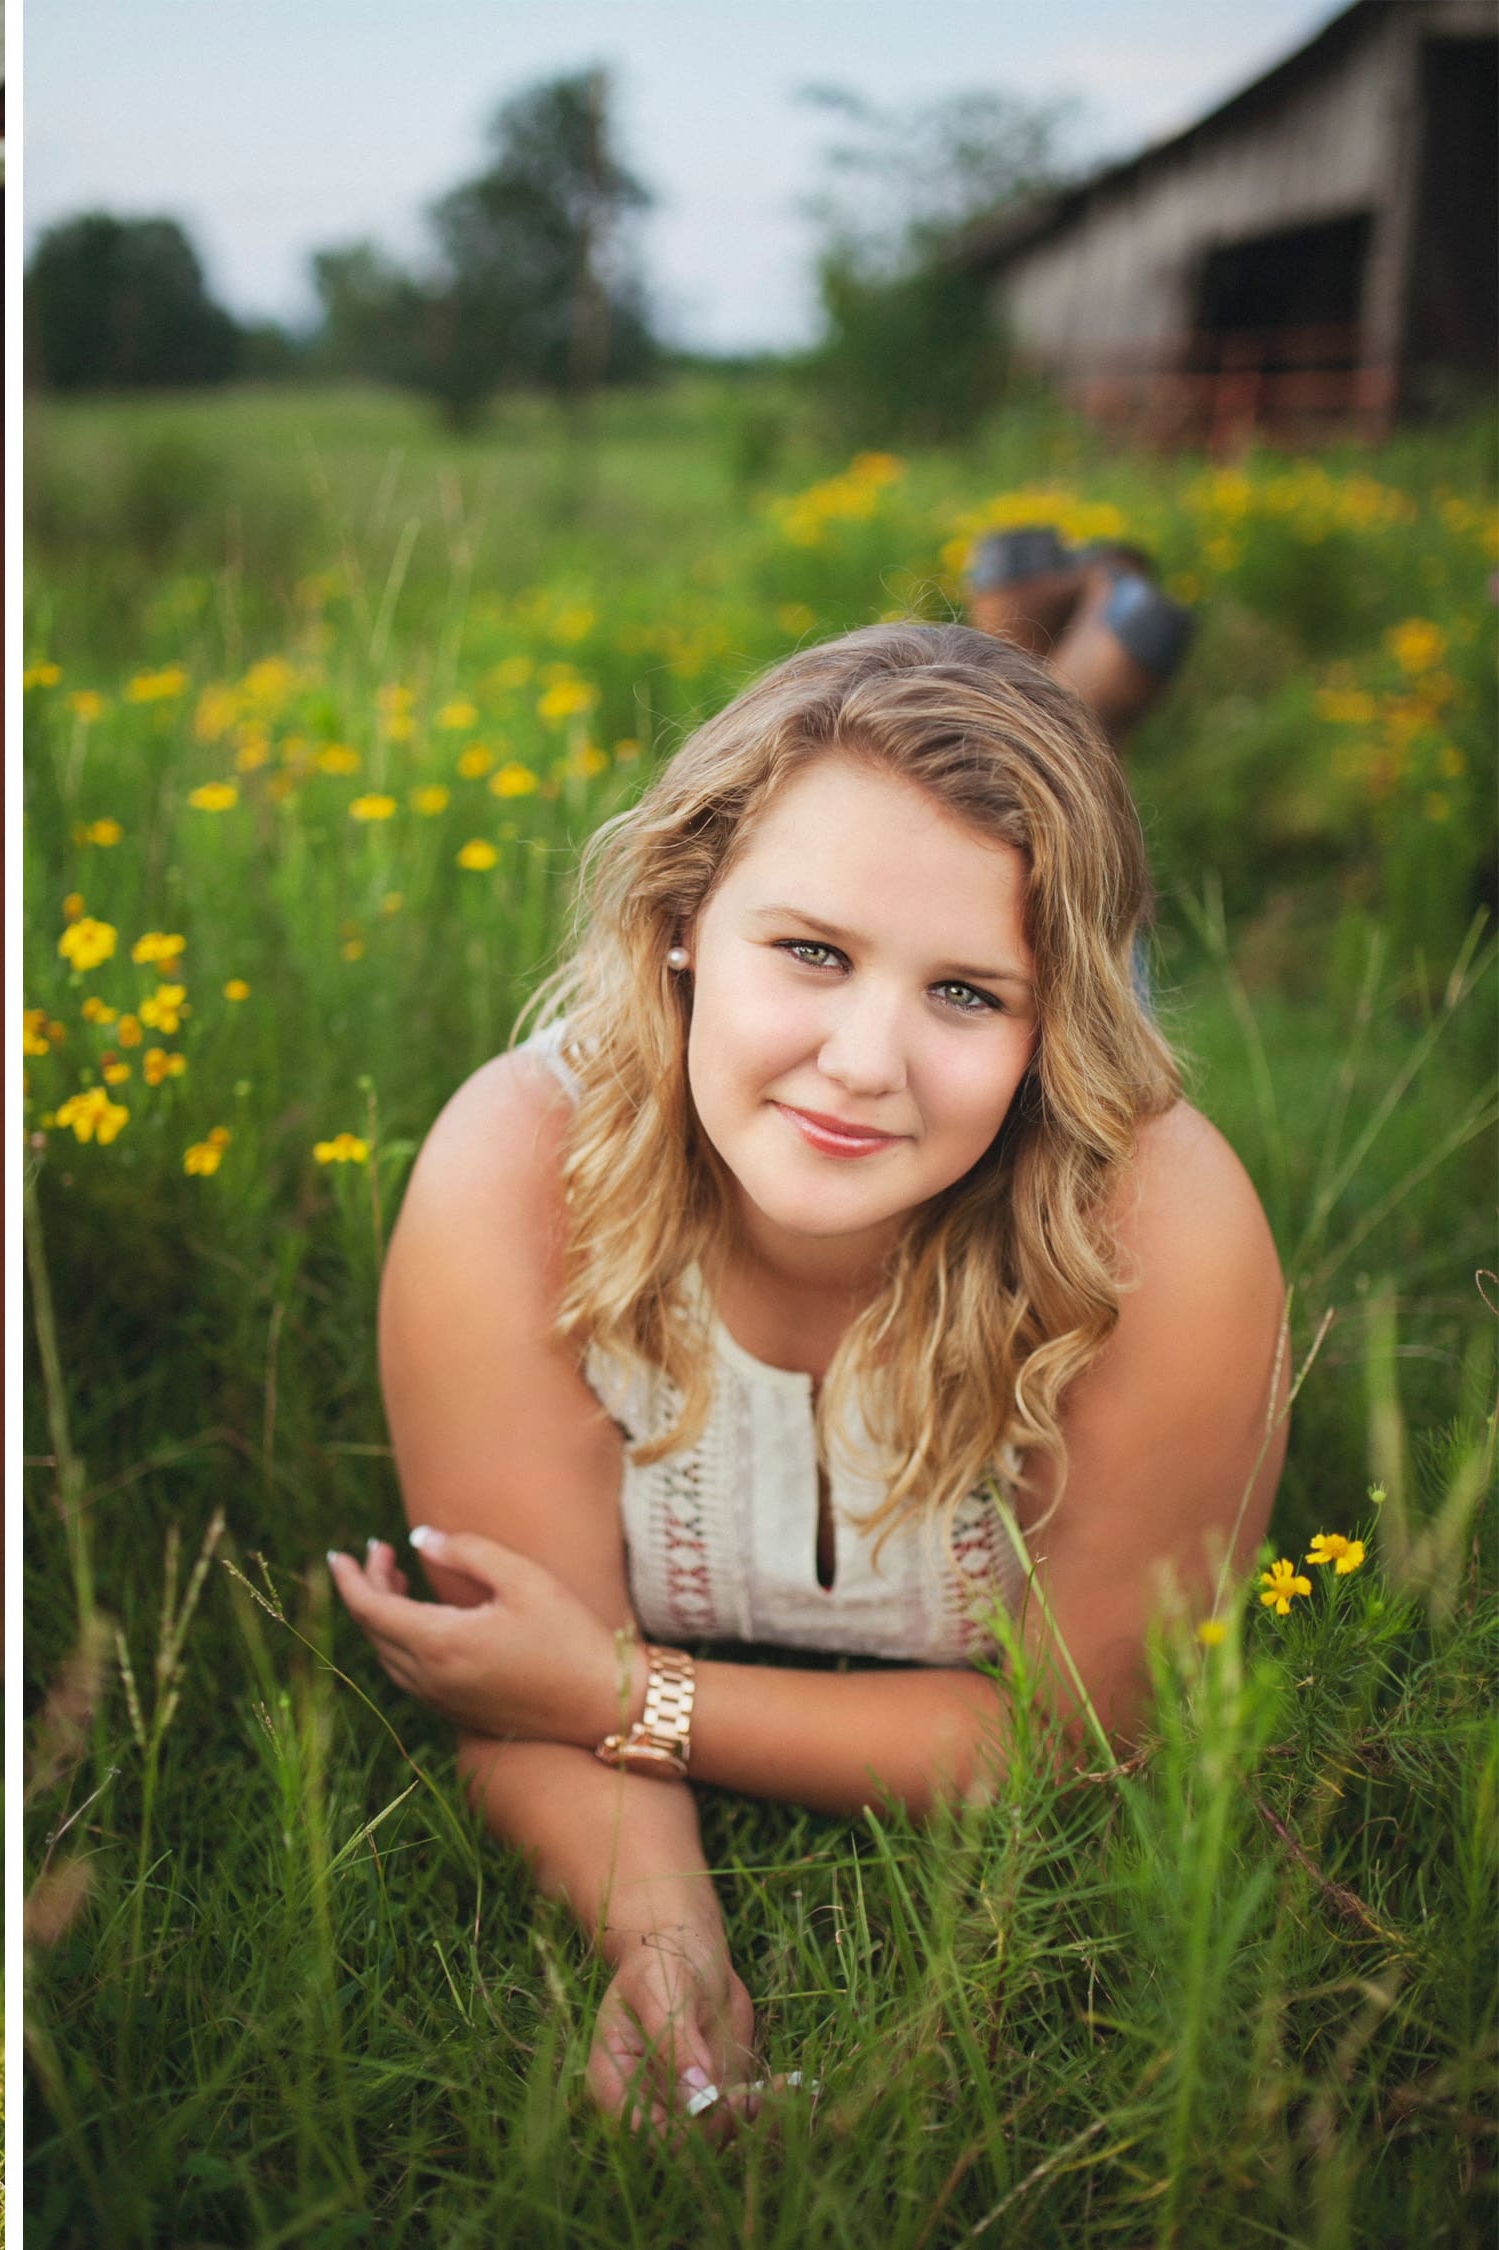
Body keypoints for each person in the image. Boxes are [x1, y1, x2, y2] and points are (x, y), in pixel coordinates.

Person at [328, 622, 1286, 2135]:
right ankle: (1053, 675)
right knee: (1006, 810)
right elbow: (513, 1661)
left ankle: (1070, 690)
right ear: (685, 914)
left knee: (1052, 830)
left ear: (1049, 1025)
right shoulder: (515, 1165)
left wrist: (617, 1690)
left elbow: (1078, 1743)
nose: (861, 1060)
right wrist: (669, 1950)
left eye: (970, 991)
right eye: (814, 951)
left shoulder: (1162, 1230)